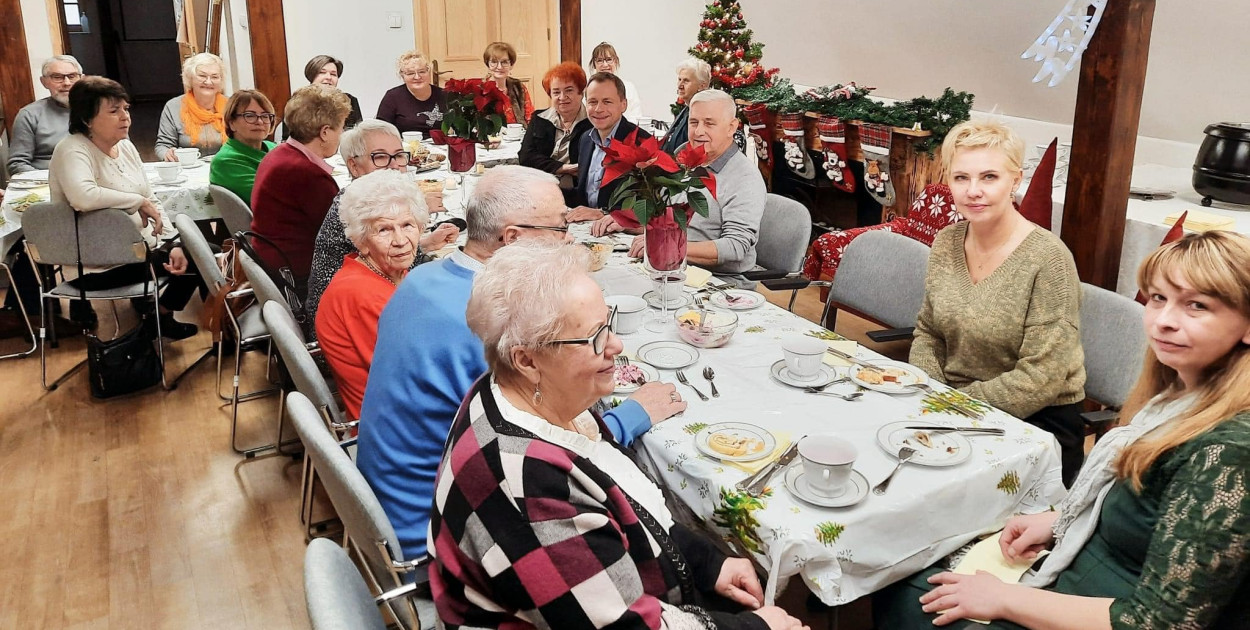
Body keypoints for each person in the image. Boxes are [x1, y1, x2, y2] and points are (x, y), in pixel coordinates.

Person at [876, 230, 1250, 629]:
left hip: (1102, 608)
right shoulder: (1179, 393)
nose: (1164, 321)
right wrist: (1060, 522)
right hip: (1080, 573)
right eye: (1158, 298)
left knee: (910, 598)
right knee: (904, 578)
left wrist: (1005, 600)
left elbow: (1160, 622)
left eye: (1196, 306)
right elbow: (1149, 513)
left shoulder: (1229, 451)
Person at [428, 240, 808, 630]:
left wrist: (709, 563)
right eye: (595, 337)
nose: (616, 345)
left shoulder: (513, 395)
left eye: (608, 323)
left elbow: (629, 508)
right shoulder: (528, 485)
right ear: (527, 359)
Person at [356, 165, 681, 562]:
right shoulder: (486, 324)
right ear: (513, 239)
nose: (568, 239)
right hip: (441, 531)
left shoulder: (426, 275)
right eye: (560, 228)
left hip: (390, 496)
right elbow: (539, 447)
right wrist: (634, 414)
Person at [908, 120, 1086, 486]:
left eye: (989, 177)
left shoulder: (1049, 260)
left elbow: (1041, 378)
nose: (973, 191)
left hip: (1034, 423)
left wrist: (953, 406)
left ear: (1015, 180)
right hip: (951, 406)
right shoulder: (946, 241)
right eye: (961, 178)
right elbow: (928, 331)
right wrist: (932, 390)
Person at [49, 76, 198, 339]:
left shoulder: (125, 146)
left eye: (126, 109)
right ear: (87, 118)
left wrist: (172, 241)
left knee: (197, 252)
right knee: (203, 256)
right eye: (113, 111)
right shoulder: (72, 150)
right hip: (97, 264)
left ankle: (158, 313)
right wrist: (136, 201)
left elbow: (150, 196)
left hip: (138, 253)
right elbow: (83, 196)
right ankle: (160, 317)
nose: (125, 117)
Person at [593, 89, 766, 286]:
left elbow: (735, 247)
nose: (699, 131)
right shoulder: (684, 154)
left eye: (709, 123)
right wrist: (630, 223)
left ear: (731, 127)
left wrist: (666, 245)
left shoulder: (745, 178)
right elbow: (667, 219)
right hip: (672, 266)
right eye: (694, 122)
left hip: (719, 283)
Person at [304, 120, 459, 331]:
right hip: (353, 321)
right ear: (354, 166)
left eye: (398, 155)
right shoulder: (354, 210)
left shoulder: (371, 203)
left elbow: (389, 260)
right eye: (380, 157)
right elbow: (396, 271)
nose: (394, 164)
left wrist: (425, 244)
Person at [314, 170, 427, 420]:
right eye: (383, 230)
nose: (400, 240)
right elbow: (411, 382)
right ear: (361, 241)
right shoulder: (361, 295)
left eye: (407, 225)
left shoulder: (385, 272)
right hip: (394, 426)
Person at [249, 85, 351, 291]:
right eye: (340, 128)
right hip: (298, 277)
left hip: (272, 262)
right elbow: (345, 233)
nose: (341, 135)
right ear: (324, 132)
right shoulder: (306, 173)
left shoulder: (279, 154)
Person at [565, 72, 650, 223]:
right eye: (592, 102)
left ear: (623, 105)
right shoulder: (585, 139)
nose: (598, 109)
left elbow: (649, 204)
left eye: (607, 102)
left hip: (622, 232)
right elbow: (585, 194)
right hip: (586, 228)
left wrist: (602, 213)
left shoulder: (641, 143)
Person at [518, 62, 592, 203]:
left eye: (569, 90)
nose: (562, 97)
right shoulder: (540, 118)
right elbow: (526, 157)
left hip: (579, 192)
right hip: (540, 189)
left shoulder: (592, 122)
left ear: (581, 93)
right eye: (556, 92)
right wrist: (563, 168)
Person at [8, 55, 81, 175]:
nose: (67, 83)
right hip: (46, 183)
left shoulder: (101, 111)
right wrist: (54, 181)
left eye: (72, 76)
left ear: (82, 79)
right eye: (57, 77)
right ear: (44, 82)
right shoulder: (29, 115)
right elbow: (17, 164)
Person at [208, 89, 277, 206]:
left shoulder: (273, 148)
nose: (260, 121)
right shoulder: (226, 161)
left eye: (265, 116)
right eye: (250, 116)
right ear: (231, 123)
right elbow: (271, 198)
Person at [156, 52, 228, 160]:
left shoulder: (232, 106)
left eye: (215, 77)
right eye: (202, 76)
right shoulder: (173, 107)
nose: (208, 82)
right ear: (190, 78)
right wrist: (167, 153)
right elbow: (162, 146)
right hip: (188, 169)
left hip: (226, 166)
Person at [376, 50, 445, 135]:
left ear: (429, 72)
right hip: (405, 146)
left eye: (422, 72)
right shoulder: (392, 97)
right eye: (410, 73)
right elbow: (380, 131)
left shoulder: (444, 95)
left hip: (439, 146)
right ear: (402, 76)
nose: (417, 77)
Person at [662, 57, 711, 155]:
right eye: (679, 79)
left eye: (686, 81)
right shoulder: (688, 108)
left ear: (702, 86)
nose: (680, 85)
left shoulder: (703, 114)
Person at [303, 55, 363, 129]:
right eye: (322, 72)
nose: (328, 77)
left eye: (333, 74)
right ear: (311, 76)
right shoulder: (299, 102)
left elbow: (357, 134)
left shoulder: (349, 100)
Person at [483, 42, 533, 127]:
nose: (499, 67)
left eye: (504, 62)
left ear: (511, 65)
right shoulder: (480, 89)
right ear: (488, 64)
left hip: (518, 137)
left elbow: (530, 118)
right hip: (489, 139)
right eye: (494, 62)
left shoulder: (519, 87)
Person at [589, 41, 642, 122]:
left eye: (609, 59)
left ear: (616, 61)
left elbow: (636, 116)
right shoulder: (589, 89)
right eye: (600, 60)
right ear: (594, 64)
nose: (605, 65)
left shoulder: (629, 87)